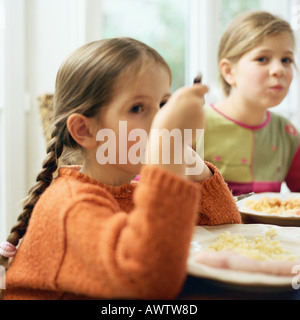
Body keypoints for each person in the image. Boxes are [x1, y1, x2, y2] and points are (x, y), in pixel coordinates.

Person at [0, 38, 241, 300]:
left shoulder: (130, 193)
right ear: (85, 130)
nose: (159, 121)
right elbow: (148, 282)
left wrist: (189, 162)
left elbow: (225, 225)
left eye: (163, 105)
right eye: (137, 108)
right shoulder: (70, 206)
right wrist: (166, 164)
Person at [197, 11, 300, 196]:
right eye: (262, 59)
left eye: (286, 60)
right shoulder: (195, 125)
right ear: (229, 72)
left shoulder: (287, 133)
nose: (279, 70)